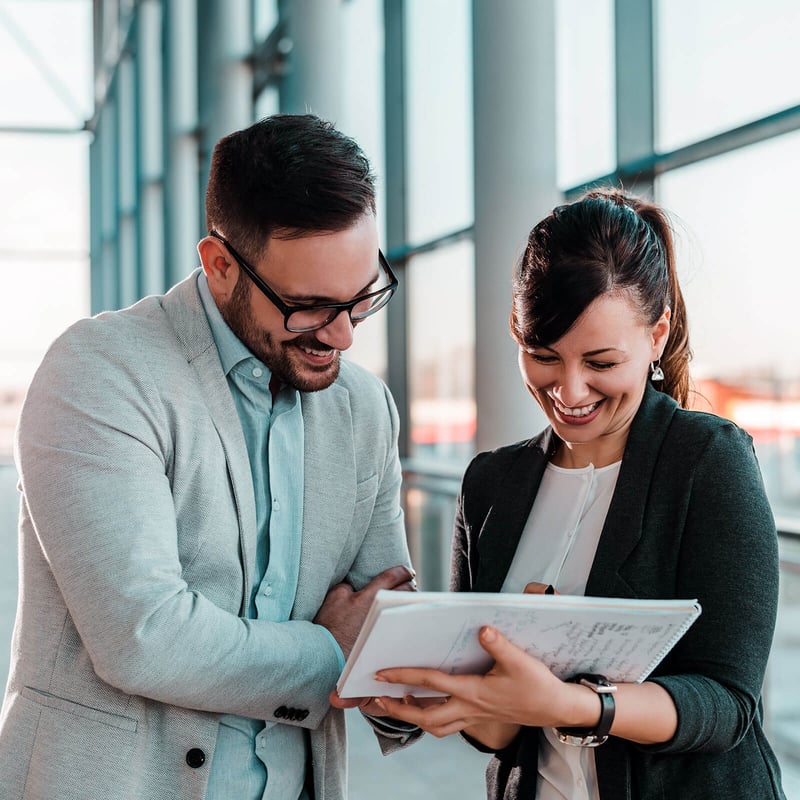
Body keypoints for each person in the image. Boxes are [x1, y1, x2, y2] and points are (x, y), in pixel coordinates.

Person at [0, 113, 418, 800]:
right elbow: (145, 634)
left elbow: (381, 620)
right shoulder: (101, 372)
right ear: (220, 264)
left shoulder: (363, 406)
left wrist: (412, 673)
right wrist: (334, 653)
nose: (342, 335)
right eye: (310, 306)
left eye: (361, 296)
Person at [361, 189, 786, 799]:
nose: (570, 388)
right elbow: (501, 732)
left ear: (657, 336)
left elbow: (728, 705)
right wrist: (442, 698)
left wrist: (573, 703)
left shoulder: (707, 461)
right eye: (543, 356)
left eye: (600, 362)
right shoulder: (491, 485)